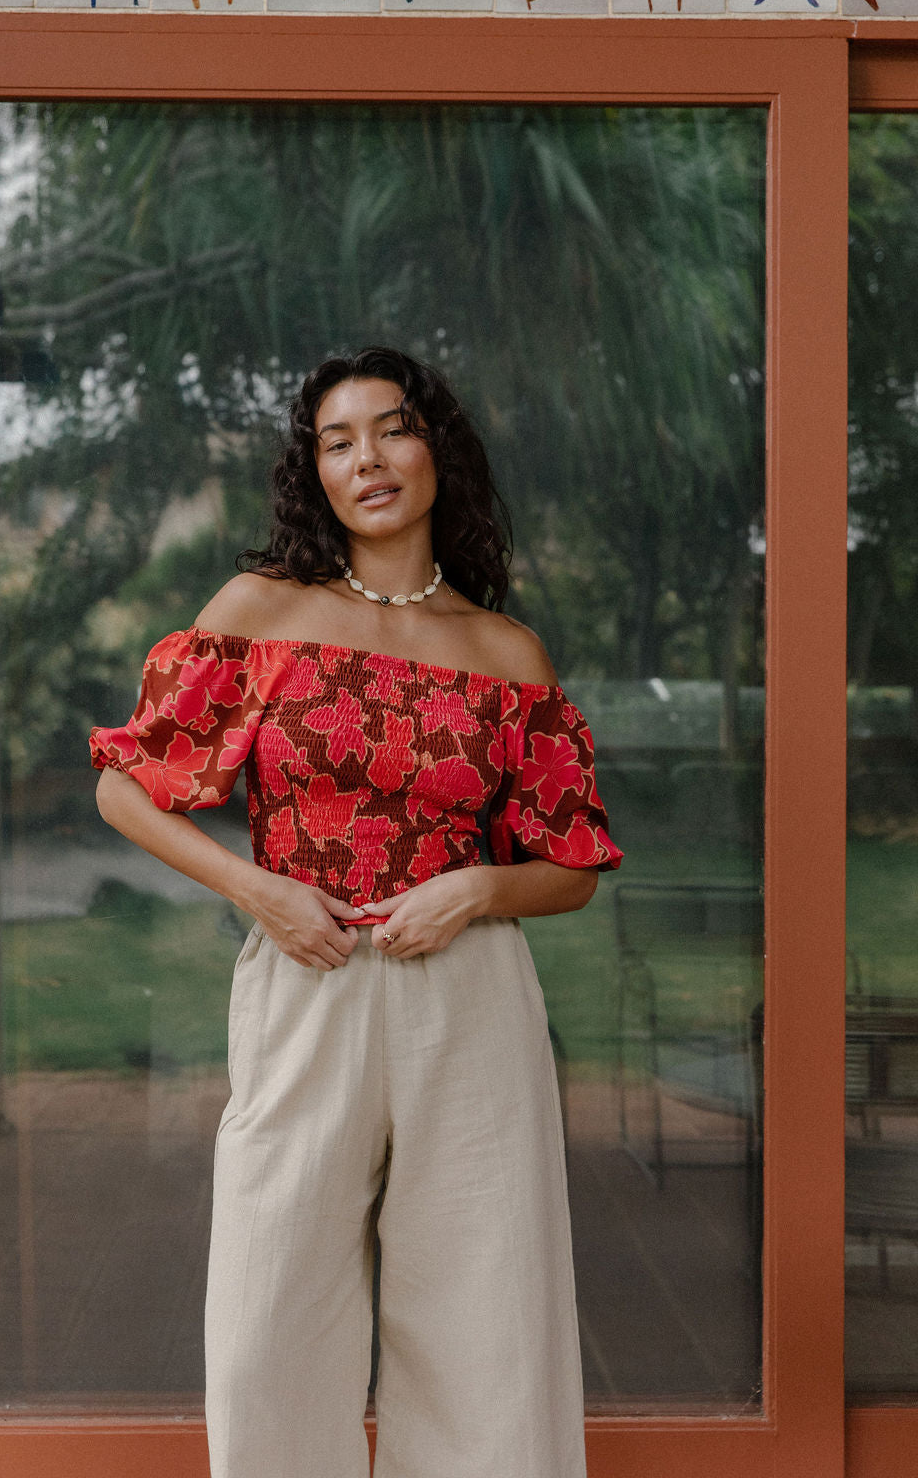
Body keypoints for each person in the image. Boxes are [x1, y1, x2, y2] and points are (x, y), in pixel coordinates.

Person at [90, 346, 622, 1478]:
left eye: (392, 429)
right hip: (306, 976)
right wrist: (258, 890)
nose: (368, 459)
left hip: (470, 1000)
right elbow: (125, 789)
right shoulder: (261, 612)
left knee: (486, 1322)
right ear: (315, 473)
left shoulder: (507, 653)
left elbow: (571, 867)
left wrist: (479, 887)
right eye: (338, 442)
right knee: (266, 1323)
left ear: (437, 453)